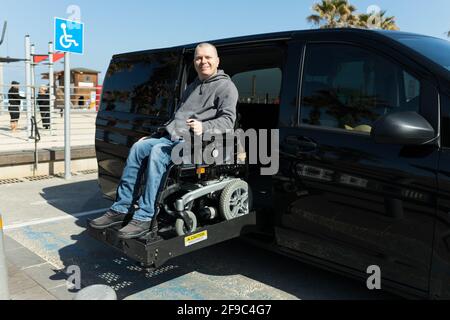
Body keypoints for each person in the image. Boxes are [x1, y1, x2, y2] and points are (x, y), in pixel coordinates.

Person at [90, 43, 239, 239]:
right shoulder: (193, 86)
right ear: (194, 62)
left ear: (217, 60)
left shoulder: (225, 86)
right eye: (199, 58)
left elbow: (228, 121)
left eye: (207, 57)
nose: (203, 61)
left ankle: (144, 216)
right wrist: (154, 136)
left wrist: (204, 127)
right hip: (174, 139)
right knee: (139, 147)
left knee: (159, 152)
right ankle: (121, 208)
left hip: (201, 144)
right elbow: (176, 119)